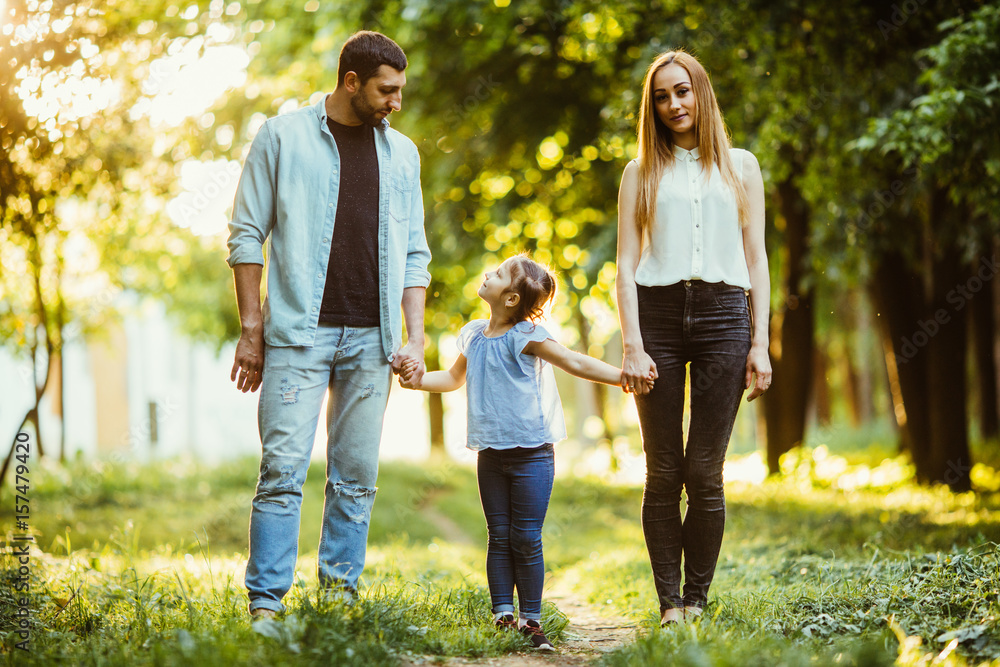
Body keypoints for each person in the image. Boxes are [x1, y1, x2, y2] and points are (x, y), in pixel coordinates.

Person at [226, 31, 431, 620]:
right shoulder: (282, 137)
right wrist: (250, 328)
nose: (397, 102)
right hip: (296, 336)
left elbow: (415, 253)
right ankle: (267, 606)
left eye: (401, 91)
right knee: (282, 472)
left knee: (356, 478)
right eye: (387, 91)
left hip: (374, 343)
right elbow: (246, 236)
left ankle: (339, 603)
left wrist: (414, 339)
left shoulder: (405, 154)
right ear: (351, 82)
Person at [399, 254, 639, 650]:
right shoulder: (474, 335)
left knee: (526, 537)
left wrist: (623, 378)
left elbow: (573, 361)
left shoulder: (525, 336)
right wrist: (418, 380)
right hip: (490, 453)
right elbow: (452, 378)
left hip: (532, 454)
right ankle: (502, 615)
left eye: (496, 274)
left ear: (510, 298)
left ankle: (532, 618)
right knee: (499, 534)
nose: (487, 273)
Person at [615, 49, 772, 626]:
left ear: (701, 93)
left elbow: (757, 259)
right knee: (663, 470)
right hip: (656, 319)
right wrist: (632, 342)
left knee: (704, 470)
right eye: (661, 96)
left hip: (725, 317)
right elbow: (625, 263)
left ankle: (698, 600)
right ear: (651, 107)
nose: (673, 104)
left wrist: (760, 342)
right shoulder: (640, 172)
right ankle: (669, 604)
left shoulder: (742, 166)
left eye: (682, 91)